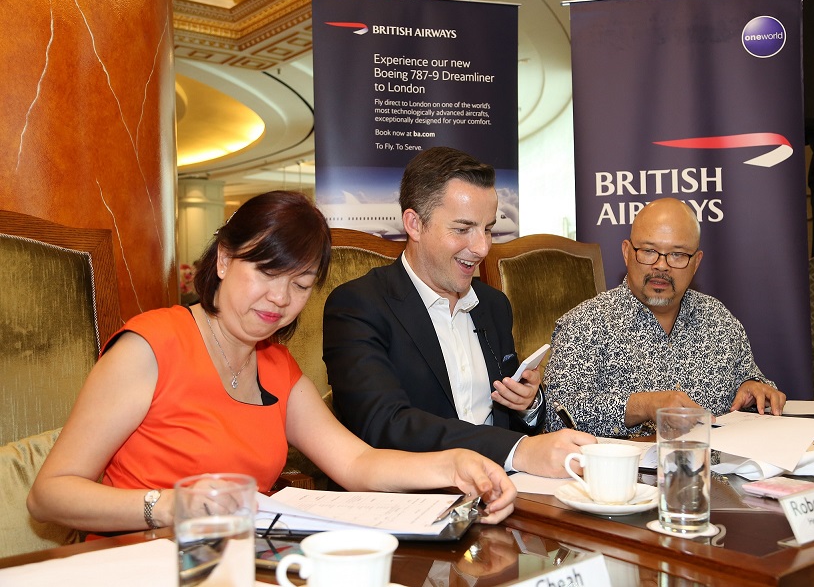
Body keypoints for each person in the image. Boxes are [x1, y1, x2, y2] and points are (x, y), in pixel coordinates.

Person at [27, 191, 515, 534]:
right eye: (266, 272)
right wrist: (167, 505)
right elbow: (49, 496)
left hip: (236, 565)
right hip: (138, 560)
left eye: (301, 285)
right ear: (222, 260)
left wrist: (454, 463)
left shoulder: (276, 366)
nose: (280, 298)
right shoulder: (150, 346)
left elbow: (357, 464)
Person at [323, 147, 594, 478]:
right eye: (463, 229)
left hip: (509, 494)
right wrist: (516, 450)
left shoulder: (494, 306)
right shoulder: (357, 306)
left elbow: (511, 415)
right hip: (415, 505)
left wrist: (529, 403)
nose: (481, 247)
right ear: (414, 224)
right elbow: (384, 425)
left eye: (488, 229)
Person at [544, 197, 786, 437]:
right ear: (627, 253)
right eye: (649, 251)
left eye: (678, 254)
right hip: (627, 473)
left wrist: (753, 387)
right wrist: (644, 406)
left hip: (721, 470)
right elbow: (555, 415)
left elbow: (751, 379)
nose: (661, 266)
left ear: (696, 262)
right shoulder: (585, 324)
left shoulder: (719, 319)